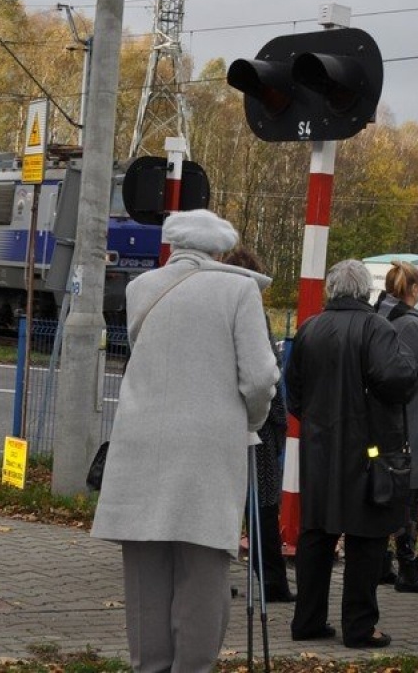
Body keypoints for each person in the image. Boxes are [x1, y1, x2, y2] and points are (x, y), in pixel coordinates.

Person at [92, 210, 280, 673]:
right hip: (207, 458)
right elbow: (259, 379)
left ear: (173, 246)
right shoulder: (240, 290)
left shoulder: (141, 289)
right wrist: (248, 422)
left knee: (145, 583)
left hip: (138, 450)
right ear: (219, 250)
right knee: (202, 582)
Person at [285, 258, 416, 650]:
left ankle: (307, 620)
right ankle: (360, 627)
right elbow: (396, 379)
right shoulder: (378, 328)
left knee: (316, 534)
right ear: (364, 291)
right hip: (368, 449)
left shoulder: (309, 329)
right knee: (366, 535)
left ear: (332, 290)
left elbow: (294, 393)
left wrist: (317, 421)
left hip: (320, 448)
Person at [224, 246, 293, 604]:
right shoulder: (251, 314)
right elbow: (266, 372)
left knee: (226, 504)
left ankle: (218, 576)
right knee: (262, 506)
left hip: (226, 421)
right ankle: (272, 583)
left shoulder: (217, 310)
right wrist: (271, 417)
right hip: (257, 424)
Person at [374, 260, 418, 594]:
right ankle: (408, 565)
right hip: (416, 419)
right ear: (414, 290)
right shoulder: (412, 325)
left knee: (385, 492)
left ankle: (379, 559)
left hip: (385, 417)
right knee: (411, 496)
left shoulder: (378, 316)